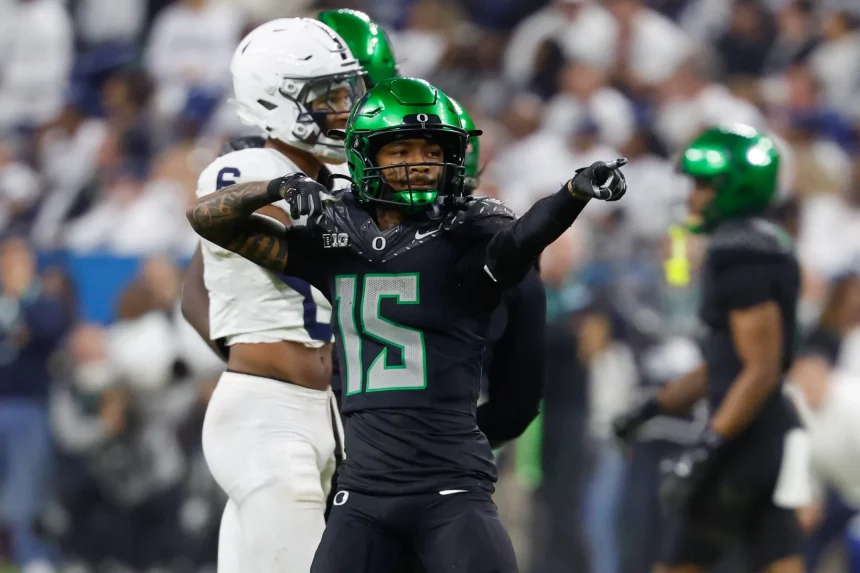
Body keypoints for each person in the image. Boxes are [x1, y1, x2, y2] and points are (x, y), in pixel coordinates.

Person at [186, 76, 627, 572]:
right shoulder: (336, 236)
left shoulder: (471, 232)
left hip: (451, 491)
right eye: (400, 150)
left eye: (430, 149)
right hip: (363, 496)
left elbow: (523, 238)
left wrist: (571, 194)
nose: (418, 163)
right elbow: (208, 221)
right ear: (365, 156)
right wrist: (276, 186)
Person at [180, 18, 366, 573]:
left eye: (345, 91)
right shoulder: (246, 170)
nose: (343, 107)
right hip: (268, 411)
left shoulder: (341, 180)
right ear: (275, 100)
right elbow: (276, 240)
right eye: (326, 95)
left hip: (327, 411)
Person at [612, 124, 806, 573]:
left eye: (703, 184)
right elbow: (727, 364)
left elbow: (760, 369)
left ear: (735, 187)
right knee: (781, 561)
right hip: (763, 434)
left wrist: (710, 444)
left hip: (743, 443)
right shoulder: (760, 243)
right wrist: (651, 408)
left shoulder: (741, 252)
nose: (693, 196)